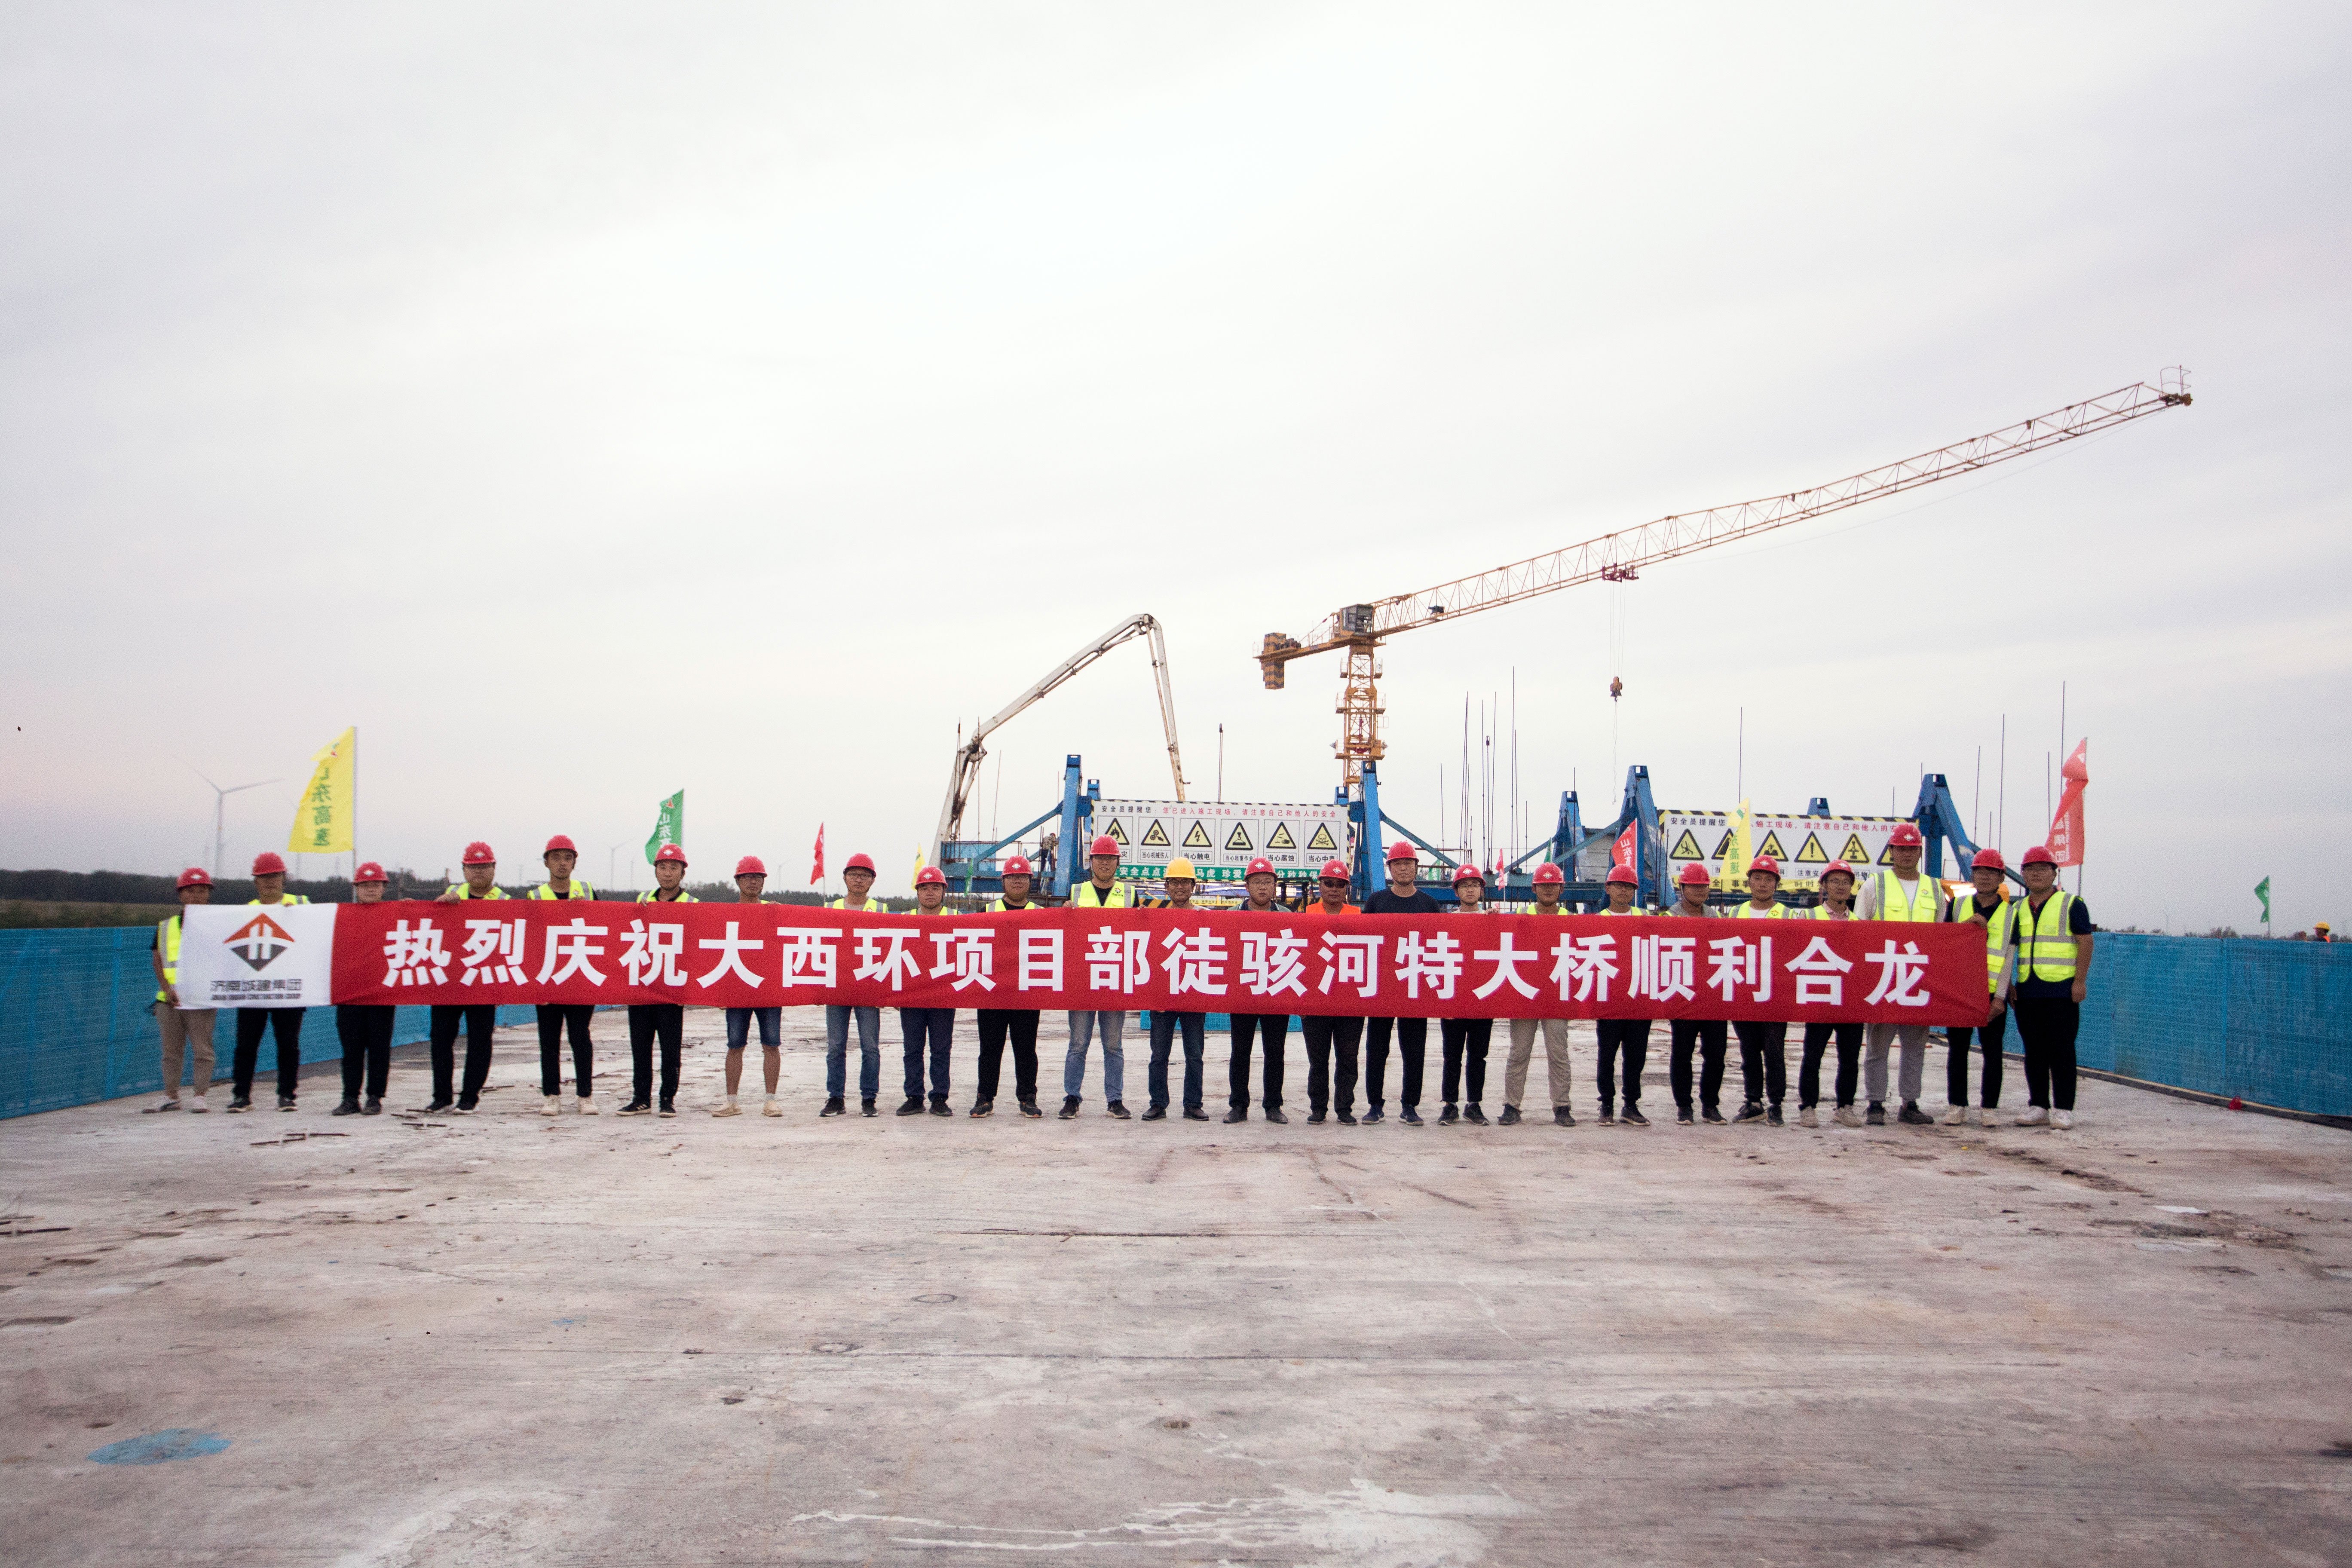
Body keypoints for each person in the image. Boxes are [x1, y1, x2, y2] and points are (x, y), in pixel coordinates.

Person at [1855, 823, 1947, 1126]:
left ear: (1920, 852)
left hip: (1918, 981)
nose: (1907, 854)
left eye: (1912, 849)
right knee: (1877, 1047)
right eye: (1901, 849)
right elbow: (1858, 931)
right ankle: (1875, 1104)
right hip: (1883, 979)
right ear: (1892, 852)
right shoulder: (1875, 885)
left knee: (1915, 1048)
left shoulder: (1935, 888)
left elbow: (1943, 935)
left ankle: (1910, 1103)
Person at [2009, 845, 2095, 1130]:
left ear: (2054, 874)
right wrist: (2009, 985)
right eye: (2030, 869)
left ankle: (2064, 1109)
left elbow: (2086, 942)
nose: (2036, 874)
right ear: (2023, 874)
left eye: (2042, 869)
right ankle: (2038, 1106)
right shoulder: (2017, 909)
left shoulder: (2071, 904)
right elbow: (2008, 950)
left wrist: (2079, 982)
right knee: (2034, 1051)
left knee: (2062, 1051)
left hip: (2062, 991)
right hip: (2028, 991)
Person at [228, 851, 310, 1112]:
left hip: (288, 989)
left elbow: (316, 933)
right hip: (254, 989)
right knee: (246, 1045)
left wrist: (298, 917)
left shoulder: (301, 903)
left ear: (284, 878)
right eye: (264, 877)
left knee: (288, 1045)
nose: (270, 881)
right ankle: (242, 1096)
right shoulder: (246, 911)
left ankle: (287, 1095)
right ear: (256, 882)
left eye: (275, 876)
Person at [1361, 842, 1438, 1125]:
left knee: (1414, 1051)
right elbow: (1364, 943)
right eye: (1398, 864)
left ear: (1417, 868)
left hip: (1415, 986)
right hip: (1382, 987)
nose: (1403, 868)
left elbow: (1439, 945)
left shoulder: (1429, 905)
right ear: (1390, 868)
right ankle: (1375, 1106)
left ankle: (1410, 1106)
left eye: (1408, 863)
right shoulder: (1376, 902)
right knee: (1376, 1050)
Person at [1940, 848, 2016, 1127]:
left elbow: (2009, 957)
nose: (1985, 877)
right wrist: (1968, 928)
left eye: (1991, 872)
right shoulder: (1957, 906)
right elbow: (1945, 944)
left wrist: (2000, 998)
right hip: (1960, 991)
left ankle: (1989, 1108)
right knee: (1957, 1050)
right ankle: (1957, 1105)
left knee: (1992, 1051)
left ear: (2001, 877)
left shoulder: (2011, 914)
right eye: (1979, 871)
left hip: (1991, 993)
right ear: (1972, 874)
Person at [615, 844, 692, 1118]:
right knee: (640, 1046)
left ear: (683, 873)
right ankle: (641, 1098)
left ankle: (667, 1098)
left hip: (672, 988)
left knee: (671, 1048)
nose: (668, 873)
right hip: (643, 986)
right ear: (656, 871)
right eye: (663, 867)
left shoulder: (692, 905)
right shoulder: (642, 900)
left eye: (674, 868)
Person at [428, 841, 505, 1114]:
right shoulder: (450, 896)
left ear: (494, 868)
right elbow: (429, 928)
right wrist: (437, 906)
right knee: (440, 1038)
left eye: (484, 866)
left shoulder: (506, 902)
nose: (479, 871)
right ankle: (442, 1096)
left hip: (484, 981)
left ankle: (470, 1096)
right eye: (473, 867)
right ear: (463, 870)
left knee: (480, 1040)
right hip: (449, 981)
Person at [527, 834, 600, 1117]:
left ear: (574, 863)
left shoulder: (587, 891)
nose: (561, 864)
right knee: (549, 1040)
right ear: (546, 863)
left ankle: (585, 1095)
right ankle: (552, 1095)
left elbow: (605, 927)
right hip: (548, 977)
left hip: (580, 975)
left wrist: (587, 911)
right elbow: (529, 940)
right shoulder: (535, 897)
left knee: (581, 1037)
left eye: (567, 858)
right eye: (555, 858)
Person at [1061, 833, 1130, 1119]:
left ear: (1117, 863)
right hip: (1083, 980)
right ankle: (1072, 1098)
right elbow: (1065, 934)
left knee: (1113, 1046)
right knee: (1078, 1044)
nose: (1105, 863)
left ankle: (1115, 1100)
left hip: (1114, 980)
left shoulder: (1130, 894)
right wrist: (1065, 912)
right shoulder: (1076, 892)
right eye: (1100, 858)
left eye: (1110, 858)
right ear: (1091, 862)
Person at [1500, 861, 1575, 1127]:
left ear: (1561, 888)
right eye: (1543, 885)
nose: (1548, 889)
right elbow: (1496, 937)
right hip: (1525, 994)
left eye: (1553, 885)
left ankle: (1562, 1106)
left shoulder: (1573, 920)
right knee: (1519, 1053)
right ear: (1534, 888)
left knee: (1559, 1054)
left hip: (1556, 996)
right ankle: (1511, 1106)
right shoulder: (1520, 916)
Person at [973, 854, 1044, 1118]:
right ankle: (985, 1097)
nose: (1017, 881)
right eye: (1012, 877)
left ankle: (1028, 1097)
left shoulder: (1041, 915)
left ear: (1030, 881)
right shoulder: (987, 911)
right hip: (993, 992)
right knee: (990, 1048)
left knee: (1026, 1048)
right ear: (1003, 881)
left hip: (1027, 993)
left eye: (1022, 877)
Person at [1796, 860, 1865, 1127]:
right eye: (1835, 881)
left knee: (1850, 1058)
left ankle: (1845, 1107)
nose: (1841, 886)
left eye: (1846, 882)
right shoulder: (1808, 917)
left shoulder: (1860, 923)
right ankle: (1808, 1107)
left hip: (1850, 1000)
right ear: (1824, 885)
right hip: (1820, 996)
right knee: (1812, 1056)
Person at [1144, 858, 1211, 1121]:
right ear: (1167, 887)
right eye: (1174, 882)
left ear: (1193, 886)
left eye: (1185, 882)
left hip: (1194, 993)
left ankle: (1193, 1104)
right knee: (1159, 1055)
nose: (1180, 887)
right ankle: (1158, 1104)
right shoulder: (1155, 916)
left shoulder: (1205, 916)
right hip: (1163, 996)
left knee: (1195, 1055)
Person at [1223, 857, 1289, 1124]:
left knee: (1275, 1053)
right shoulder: (1232, 916)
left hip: (1275, 992)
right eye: (1257, 882)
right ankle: (1239, 1105)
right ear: (1247, 886)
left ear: (1275, 886)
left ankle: (1273, 1105)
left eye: (1267, 882)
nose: (1262, 887)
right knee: (1240, 1052)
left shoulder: (1287, 916)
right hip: (1243, 992)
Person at [717, 855, 784, 1118]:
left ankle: (771, 1100)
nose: (753, 881)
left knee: (771, 1044)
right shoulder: (727, 914)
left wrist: (781, 915)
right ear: (738, 881)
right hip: (738, 987)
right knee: (735, 1044)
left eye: (758, 877)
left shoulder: (774, 912)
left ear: (764, 882)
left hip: (768, 988)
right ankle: (731, 1101)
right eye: (747, 877)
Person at [1727, 855, 1791, 1127]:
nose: (1763, 884)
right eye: (1758, 878)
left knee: (1774, 1053)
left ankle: (1776, 1104)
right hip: (1743, 992)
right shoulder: (1734, 913)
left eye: (1768, 879)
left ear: (1776, 884)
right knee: (1749, 1052)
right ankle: (1753, 1102)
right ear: (1749, 882)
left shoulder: (1789, 915)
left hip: (1775, 995)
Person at [1298, 860, 1363, 1124]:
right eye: (1329, 883)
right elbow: (1298, 959)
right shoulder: (1307, 915)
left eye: (1340, 884)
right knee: (1318, 1060)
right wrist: (1301, 1002)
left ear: (1347, 888)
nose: (1334, 889)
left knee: (1348, 1058)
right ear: (1320, 886)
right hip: (1316, 1002)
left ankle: (1345, 1108)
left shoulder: (1359, 916)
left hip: (1350, 1001)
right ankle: (1318, 1108)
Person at [824, 851, 887, 1117]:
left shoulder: (882, 910)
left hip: (869, 988)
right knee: (836, 1046)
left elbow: (890, 949)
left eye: (864, 875)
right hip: (837, 987)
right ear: (845, 878)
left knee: (870, 1047)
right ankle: (835, 1098)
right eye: (854, 875)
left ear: (872, 880)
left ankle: (869, 1099)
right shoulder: (830, 908)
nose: (858, 879)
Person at [149, 867, 217, 1114]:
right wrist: (167, 989)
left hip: (201, 999)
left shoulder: (219, 925)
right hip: (170, 1000)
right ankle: (171, 1096)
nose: (196, 896)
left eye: (201, 891)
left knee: (203, 1050)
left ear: (208, 895)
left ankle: (200, 1096)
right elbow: (158, 959)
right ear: (181, 895)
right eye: (191, 891)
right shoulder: (166, 926)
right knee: (171, 1052)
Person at [331, 863, 396, 1117]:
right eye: (365, 885)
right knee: (351, 1050)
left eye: (376, 885)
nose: (370, 889)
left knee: (379, 1048)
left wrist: (411, 909)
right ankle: (350, 1098)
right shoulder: (341, 915)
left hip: (381, 994)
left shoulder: (396, 913)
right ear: (356, 888)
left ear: (384, 888)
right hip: (350, 993)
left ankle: (375, 1097)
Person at [1589, 861, 1651, 1125]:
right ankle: (1606, 1105)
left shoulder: (1647, 919)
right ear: (1608, 888)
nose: (1623, 890)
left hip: (1639, 1001)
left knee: (1635, 1057)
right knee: (1607, 1056)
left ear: (1635, 890)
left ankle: (1631, 1105)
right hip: (1609, 1001)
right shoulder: (1596, 922)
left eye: (1628, 886)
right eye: (1618, 885)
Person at [895, 864, 958, 1117]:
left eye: (935, 888)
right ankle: (914, 1097)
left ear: (944, 891)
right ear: (917, 892)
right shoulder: (903, 919)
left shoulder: (957, 918)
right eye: (924, 888)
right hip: (912, 996)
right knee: (912, 1049)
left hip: (944, 996)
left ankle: (940, 1097)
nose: (930, 893)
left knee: (941, 1049)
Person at [1439, 864, 1498, 1125]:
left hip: (1483, 998)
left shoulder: (1492, 920)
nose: (1470, 890)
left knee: (1478, 1056)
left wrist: (1497, 922)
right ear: (1456, 891)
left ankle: (1474, 1104)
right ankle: (1450, 1104)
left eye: (1475, 885)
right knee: (1452, 1057)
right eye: (1465, 885)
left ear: (1482, 890)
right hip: (1454, 999)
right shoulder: (1447, 922)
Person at [1665, 861, 1721, 1127]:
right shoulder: (1669, 919)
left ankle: (1710, 1105)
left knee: (1716, 1055)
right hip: (1683, 995)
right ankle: (1684, 1107)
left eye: (1703, 886)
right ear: (1682, 888)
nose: (1699, 891)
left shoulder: (1717, 918)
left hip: (1712, 997)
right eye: (1694, 886)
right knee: (1682, 1053)